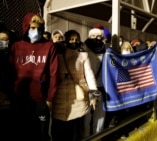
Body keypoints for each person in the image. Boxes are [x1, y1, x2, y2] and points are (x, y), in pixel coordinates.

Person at [9, 12, 59, 141]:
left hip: (40, 100)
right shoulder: (16, 46)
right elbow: (10, 72)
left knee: (41, 135)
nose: (36, 31)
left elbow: (54, 74)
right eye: (32, 27)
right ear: (26, 27)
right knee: (21, 132)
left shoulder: (49, 46)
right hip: (19, 99)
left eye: (39, 28)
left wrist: (49, 99)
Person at [51, 29, 100, 141]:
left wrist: (93, 95)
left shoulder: (83, 54)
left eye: (77, 39)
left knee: (76, 128)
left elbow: (89, 74)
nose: (74, 41)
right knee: (59, 127)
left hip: (79, 94)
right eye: (71, 39)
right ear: (66, 39)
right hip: (60, 95)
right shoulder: (57, 53)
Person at [82, 25, 107, 137]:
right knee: (86, 116)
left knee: (100, 114)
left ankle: (97, 136)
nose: (96, 38)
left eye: (98, 36)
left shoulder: (106, 50)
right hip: (87, 88)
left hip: (101, 86)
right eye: (93, 36)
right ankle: (86, 136)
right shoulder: (83, 49)